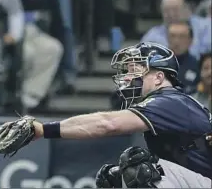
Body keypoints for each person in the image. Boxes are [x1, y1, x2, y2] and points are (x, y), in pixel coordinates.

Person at [15, 42, 212, 187]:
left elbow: (107, 124)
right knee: (113, 178)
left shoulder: (169, 100)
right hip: (197, 179)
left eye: (135, 69)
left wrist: (42, 130)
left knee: (140, 170)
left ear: (159, 77)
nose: (127, 77)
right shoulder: (169, 101)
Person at [167, 21, 200, 94]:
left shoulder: (198, 66)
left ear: (190, 40)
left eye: (182, 36)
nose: (176, 41)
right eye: (172, 36)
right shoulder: (157, 64)